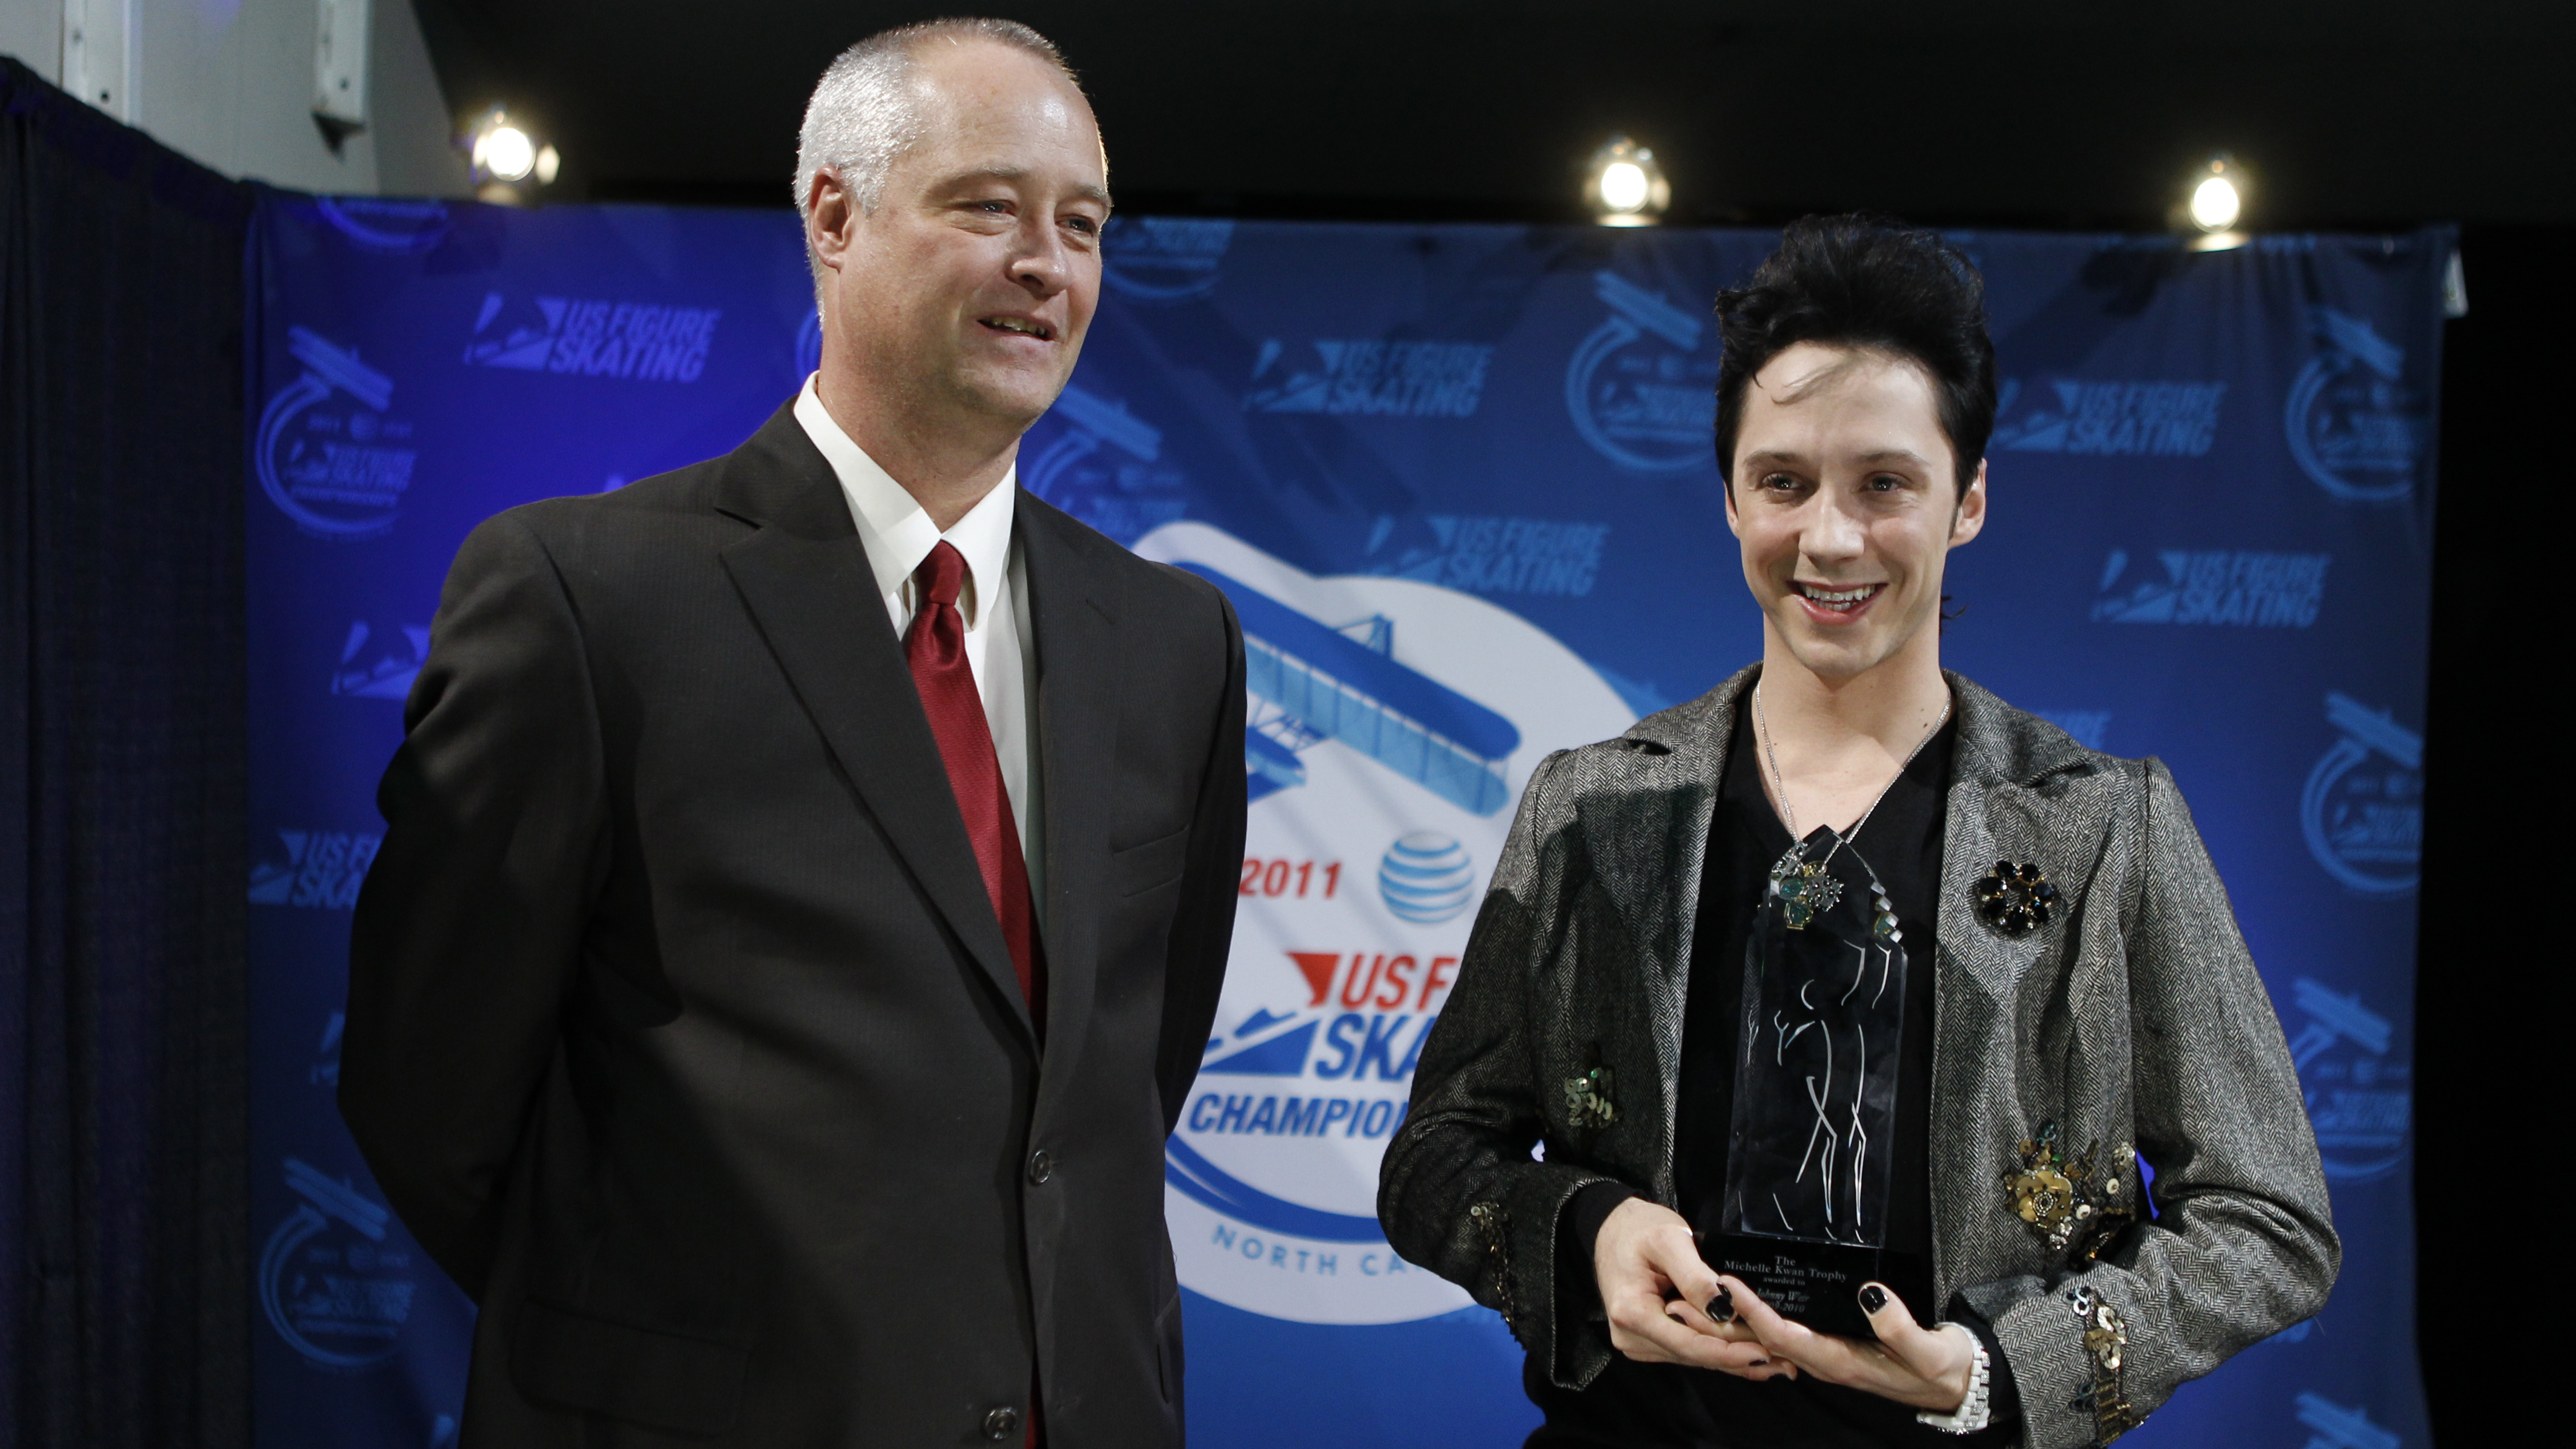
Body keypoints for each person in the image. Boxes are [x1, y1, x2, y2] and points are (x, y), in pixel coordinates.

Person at [340, 20, 1246, 1446]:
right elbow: (427, 1090)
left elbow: (1122, 1081)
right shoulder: (583, 597)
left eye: (1082, 225)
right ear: (835, 215)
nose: (1047, 264)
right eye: (989, 206)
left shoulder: (1174, 638)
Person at [1377, 216, 2335, 1448]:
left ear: (1967, 498)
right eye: (1784, 481)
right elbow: (1435, 1158)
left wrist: (2001, 1369)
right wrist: (1587, 1231)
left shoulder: (2105, 824)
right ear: (1732, 497)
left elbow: (2269, 1218)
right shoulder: (1592, 808)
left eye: (1885, 484)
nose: (1830, 537)